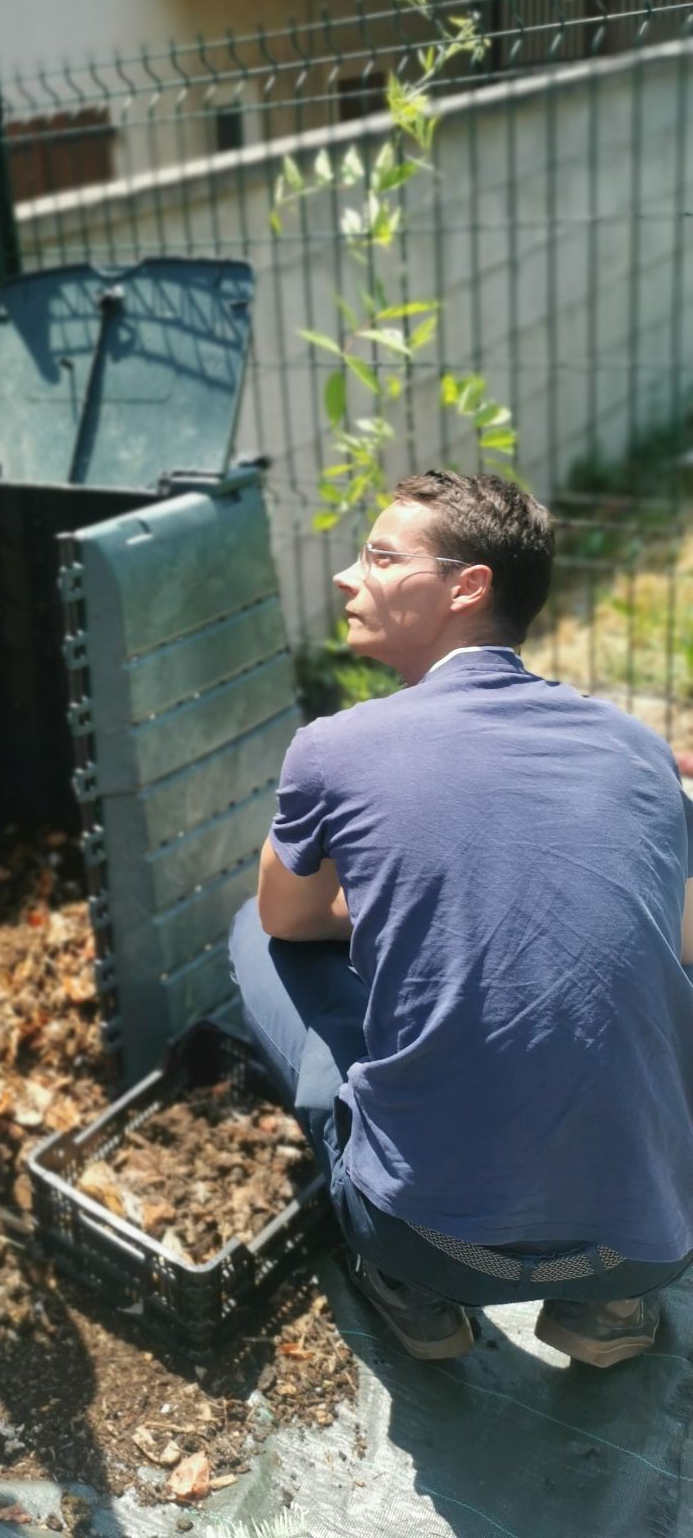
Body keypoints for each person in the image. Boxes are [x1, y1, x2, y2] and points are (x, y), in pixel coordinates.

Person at [229, 469, 693, 1368]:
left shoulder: (335, 746)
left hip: (430, 1237)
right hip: (646, 1240)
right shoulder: (640, 751)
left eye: (379, 556)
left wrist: (403, 913)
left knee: (253, 936)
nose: (345, 577)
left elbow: (286, 917)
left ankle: (407, 1290)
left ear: (465, 586)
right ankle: (608, 1310)